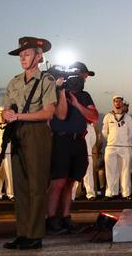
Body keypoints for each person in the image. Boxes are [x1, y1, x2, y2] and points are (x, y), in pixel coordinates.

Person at [2, 36, 57, 250]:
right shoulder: (14, 81)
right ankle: (22, 233)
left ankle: (34, 235)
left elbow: (47, 113)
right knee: (21, 185)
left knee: (36, 185)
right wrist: (6, 115)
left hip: (36, 132)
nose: (22, 58)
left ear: (39, 56)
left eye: (27, 54)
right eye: (21, 55)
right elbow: (6, 110)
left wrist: (19, 116)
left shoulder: (46, 81)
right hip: (16, 132)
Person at [46, 63, 99, 235]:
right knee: (58, 181)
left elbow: (94, 117)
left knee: (71, 181)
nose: (85, 79)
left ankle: (66, 217)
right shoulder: (55, 92)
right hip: (61, 140)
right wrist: (62, 90)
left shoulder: (85, 96)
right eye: (83, 75)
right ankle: (52, 219)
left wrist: (77, 104)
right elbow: (60, 115)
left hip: (79, 141)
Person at [102, 95, 132, 199]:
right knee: (110, 170)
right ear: (113, 103)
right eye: (116, 101)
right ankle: (110, 193)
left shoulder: (127, 117)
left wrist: (126, 141)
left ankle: (126, 193)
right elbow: (104, 131)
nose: (118, 103)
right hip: (111, 146)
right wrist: (110, 139)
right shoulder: (108, 116)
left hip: (124, 146)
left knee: (125, 170)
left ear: (122, 103)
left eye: (119, 101)